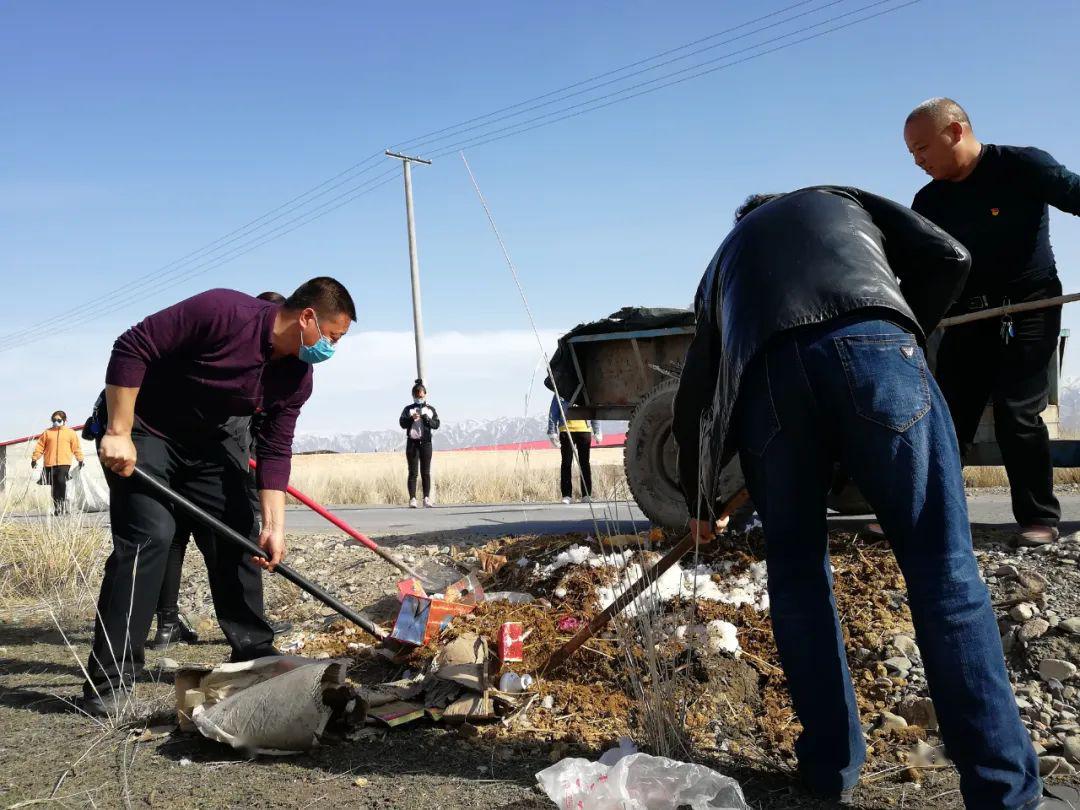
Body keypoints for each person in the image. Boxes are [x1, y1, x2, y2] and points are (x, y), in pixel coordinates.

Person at [672, 187, 1074, 809]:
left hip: (769, 385)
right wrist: (906, 328)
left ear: (744, 226)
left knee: (798, 579)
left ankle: (830, 768)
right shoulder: (840, 198)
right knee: (944, 570)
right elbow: (950, 256)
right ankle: (1003, 791)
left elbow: (696, 392)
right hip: (877, 346)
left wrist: (700, 503)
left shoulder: (723, 264)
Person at [81, 277, 356, 716]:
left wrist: (274, 527)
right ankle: (110, 680)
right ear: (307, 317)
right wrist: (117, 431)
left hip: (210, 444)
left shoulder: (297, 378)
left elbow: (273, 449)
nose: (331, 349)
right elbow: (133, 346)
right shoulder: (222, 311)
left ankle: (255, 657)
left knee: (240, 534)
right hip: (147, 430)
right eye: (332, 336)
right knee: (150, 537)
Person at [904, 98, 1080, 547]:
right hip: (969, 312)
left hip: (1032, 303)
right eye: (912, 154)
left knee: (1017, 410)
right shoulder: (928, 201)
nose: (918, 160)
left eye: (923, 148)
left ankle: (1039, 518)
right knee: (949, 415)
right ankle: (920, 516)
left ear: (956, 131)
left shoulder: (1022, 165)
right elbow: (917, 267)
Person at [149, 291, 287, 650]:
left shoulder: (261, 367)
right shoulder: (237, 363)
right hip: (201, 466)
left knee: (177, 541)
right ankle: (244, 636)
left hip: (191, 461)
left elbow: (273, 443)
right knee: (224, 543)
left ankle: (174, 625)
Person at [547, 395, 601, 504]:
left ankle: (586, 495)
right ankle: (567, 495)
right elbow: (553, 412)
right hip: (566, 430)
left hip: (584, 430)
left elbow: (593, 409)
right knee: (566, 463)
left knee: (584, 463)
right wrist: (552, 432)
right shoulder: (561, 391)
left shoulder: (585, 390)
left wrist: (597, 430)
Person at [31, 410, 85, 515]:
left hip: (64, 463)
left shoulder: (70, 433)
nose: (56, 422)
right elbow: (40, 447)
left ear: (64, 420)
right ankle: (57, 508)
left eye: (59, 420)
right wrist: (34, 458)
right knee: (54, 485)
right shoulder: (47, 433)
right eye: (54, 420)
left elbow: (76, 448)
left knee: (61, 481)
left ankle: (63, 505)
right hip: (49, 463)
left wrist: (80, 459)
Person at [399, 380, 439, 508]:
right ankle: (412, 499)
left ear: (425, 395)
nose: (419, 398)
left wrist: (427, 419)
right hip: (412, 444)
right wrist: (411, 418)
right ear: (413, 396)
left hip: (426, 443)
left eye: (421, 396)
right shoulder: (408, 409)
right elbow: (402, 423)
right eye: (416, 396)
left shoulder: (430, 409)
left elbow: (436, 424)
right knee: (413, 472)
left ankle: (426, 498)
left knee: (426, 472)